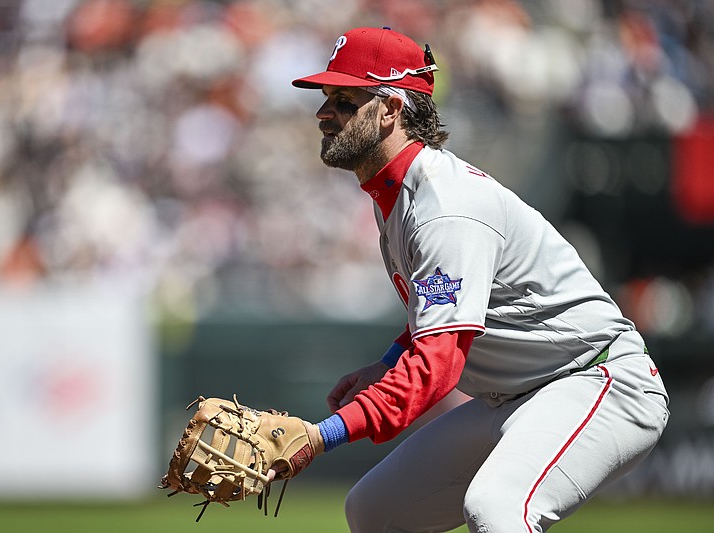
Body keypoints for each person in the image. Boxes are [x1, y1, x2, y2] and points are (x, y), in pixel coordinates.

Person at [273, 26, 669, 532]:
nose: (324, 113)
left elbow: (437, 365)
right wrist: (388, 363)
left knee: (497, 508)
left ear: (391, 109)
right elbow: (445, 316)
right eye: (327, 97)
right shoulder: (399, 193)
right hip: (515, 394)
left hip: (596, 380)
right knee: (375, 511)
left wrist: (321, 435)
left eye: (345, 99)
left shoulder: (444, 209)